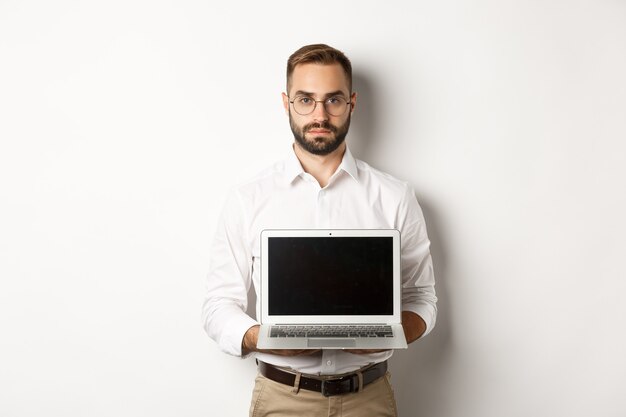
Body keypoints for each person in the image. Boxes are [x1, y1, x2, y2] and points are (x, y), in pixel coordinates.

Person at [202, 44, 437, 417]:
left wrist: (389, 332)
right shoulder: (249, 198)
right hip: (282, 397)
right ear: (286, 103)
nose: (320, 114)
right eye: (305, 100)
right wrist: (264, 338)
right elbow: (217, 306)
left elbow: (422, 298)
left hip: (369, 397)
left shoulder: (395, 197)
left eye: (334, 100)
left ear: (352, 103)